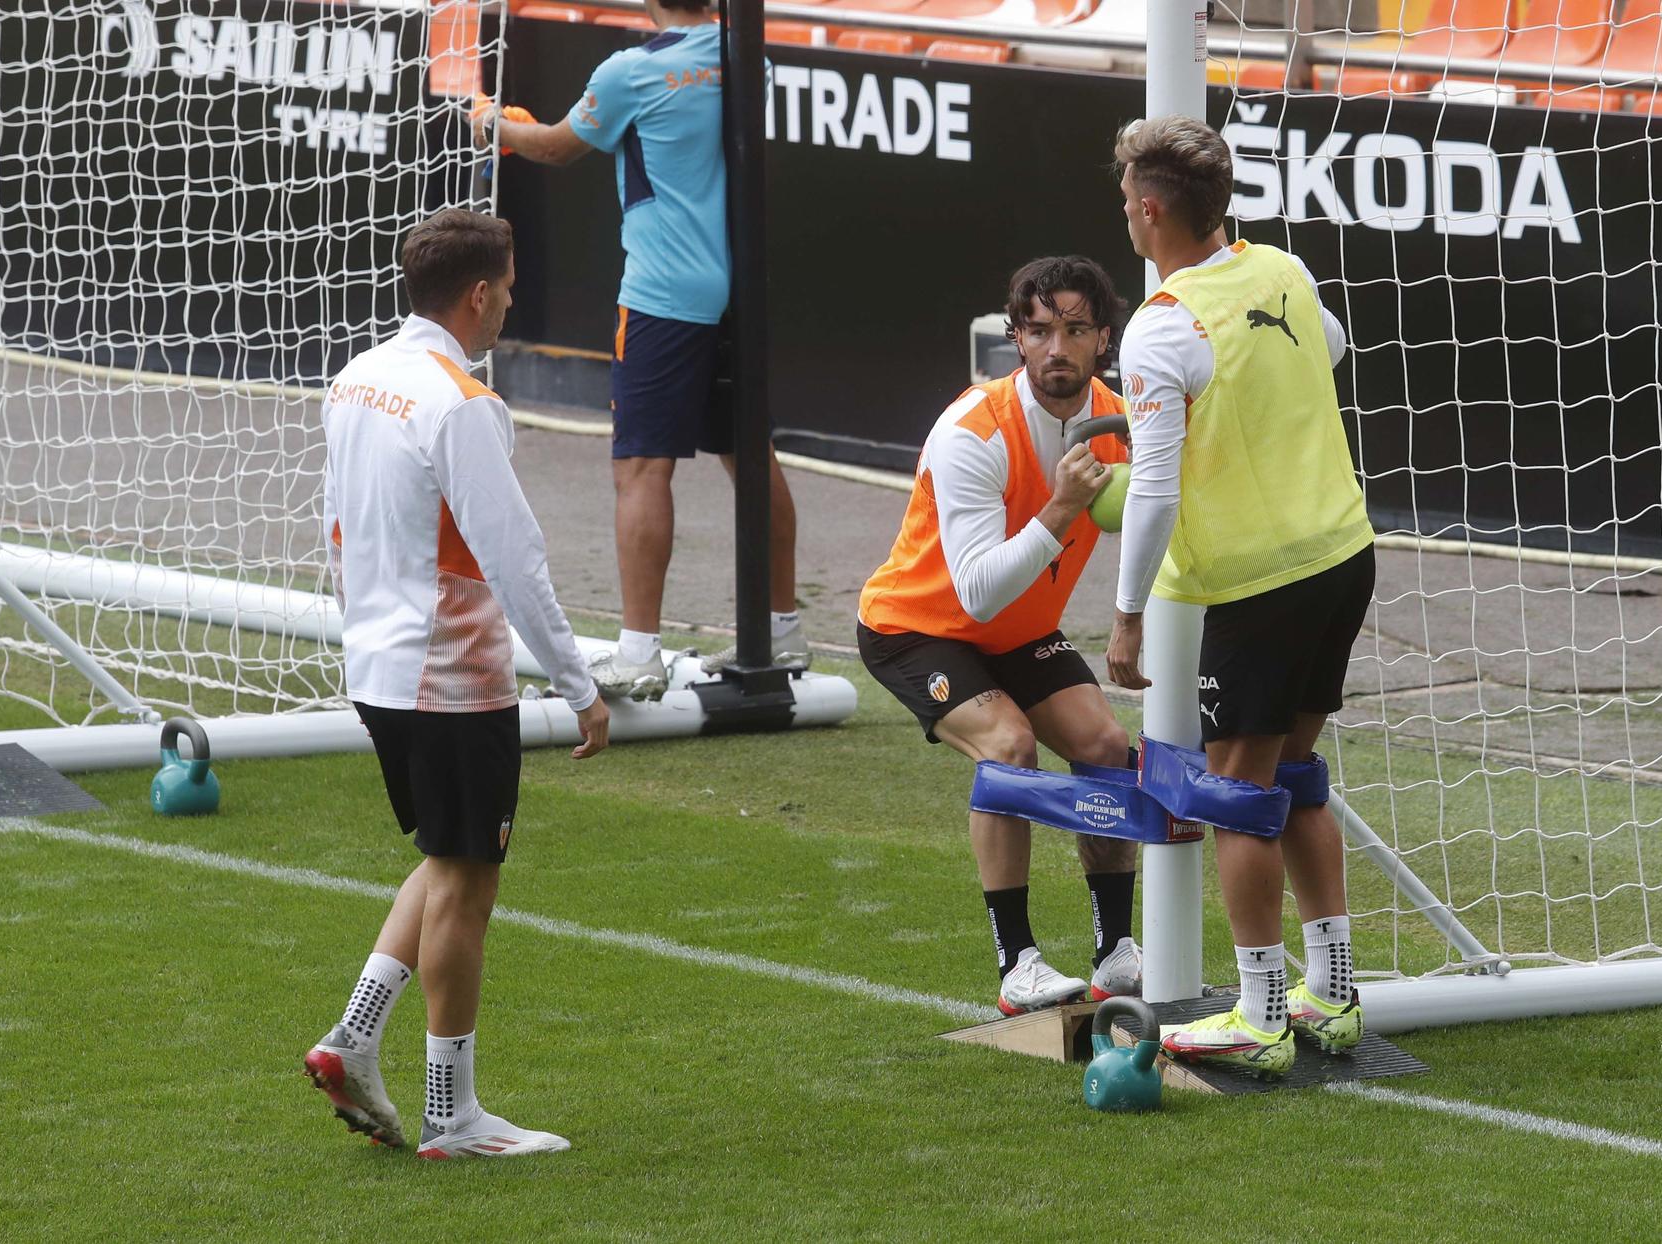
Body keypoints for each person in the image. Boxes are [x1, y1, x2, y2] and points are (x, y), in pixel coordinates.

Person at [305, 208, 612, 1158]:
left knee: (445, 858)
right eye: (509, 290)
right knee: (469, 884)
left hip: (379, 663)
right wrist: (577, 681)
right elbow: (513, 556)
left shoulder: (358, 378)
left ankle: (354, 1037)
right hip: (452, 675)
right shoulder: (461, 401)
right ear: (480, 293)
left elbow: (334, 522)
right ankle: (452, 1114)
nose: (509, 304)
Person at [1106, 116, 1373, 1075]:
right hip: (1344, 550)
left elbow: (1155, 486)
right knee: (1295, 777)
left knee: (1235, 798)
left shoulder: (1161, 325)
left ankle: (1260, 1016)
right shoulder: (1282, 270)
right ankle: (1332, 995)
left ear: (1148, 208)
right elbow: (1329, 351)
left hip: (1264, 583)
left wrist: (1129, 610)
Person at [471, 0, 805, 701]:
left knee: (641, 468)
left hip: (663, 292)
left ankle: (638, 652)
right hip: (739, 285)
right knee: (750, 455)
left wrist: (496, 126)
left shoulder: (631, 70)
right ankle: (782, 627)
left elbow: (560, 147)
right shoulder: (749, 56)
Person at [857, 256, 1143, 1015]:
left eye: (1076, 330)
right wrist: (1060, 508)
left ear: (1104, 339)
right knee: (1010, 747)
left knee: (1109, 750)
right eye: (1041, 330)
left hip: (1022, 631)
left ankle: (1116, 951)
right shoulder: (971, 432)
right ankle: (1018, 964)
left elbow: (1164, 526)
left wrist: (1129, 617)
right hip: (917, 629)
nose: (1058, 348)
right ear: (1016, 338)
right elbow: (979, 594)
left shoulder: (1124, 419)